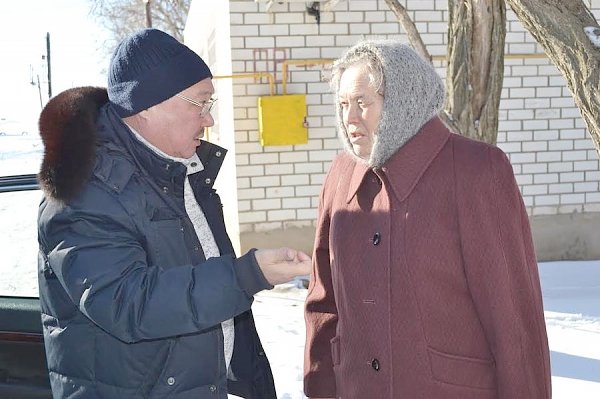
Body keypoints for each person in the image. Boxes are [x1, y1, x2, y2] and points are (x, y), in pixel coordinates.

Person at [37, 28, 311, 399]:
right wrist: (247, 275)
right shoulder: (84, 191)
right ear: (146, 106)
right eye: (201, 104)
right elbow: (126, 303)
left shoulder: (181, 173)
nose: (209, 120)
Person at [303, 39, 551, 398]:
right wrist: (320, 386)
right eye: (343, 104)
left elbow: (513, 320)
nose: (349, 117)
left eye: (363, 103)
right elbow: (322, 299)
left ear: (402, 101)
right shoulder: (341, 173)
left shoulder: (475, 171)